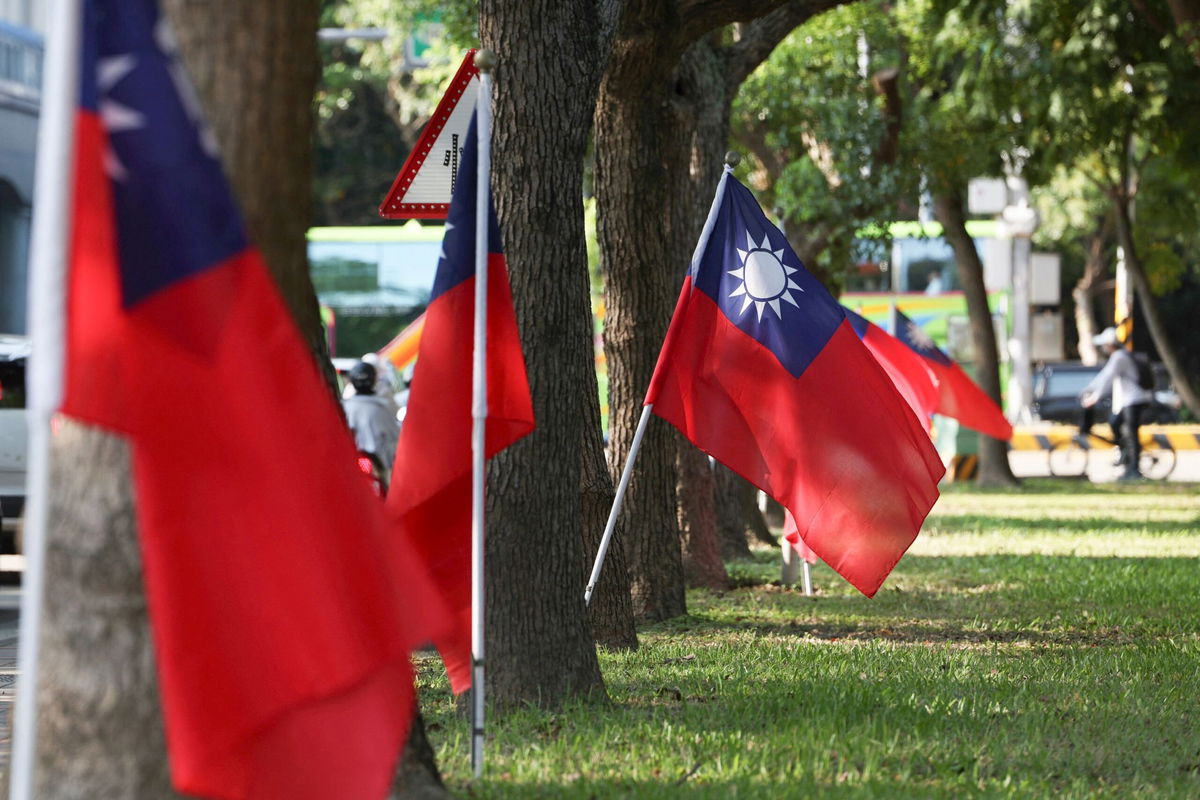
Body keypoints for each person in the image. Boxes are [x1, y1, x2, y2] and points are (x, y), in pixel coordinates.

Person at [1079, 328, 1151, 480]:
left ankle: (1134, 469)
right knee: (1114, 424)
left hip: (1135, 400)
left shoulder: (1119, 357)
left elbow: (1107, 379)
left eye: (1104, 345)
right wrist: (1089, 389)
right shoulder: (1119, 356)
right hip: (1129, 400)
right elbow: (1103, 376)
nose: (1103, 348)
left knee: (1132, 433)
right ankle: (1126, 454)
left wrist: (1094, 397)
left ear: (1110, 345)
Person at [342, 360, 400, 474]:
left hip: (361, 461)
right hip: (380, 462)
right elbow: (394, 437)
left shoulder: (346, 407)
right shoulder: (382, 406)